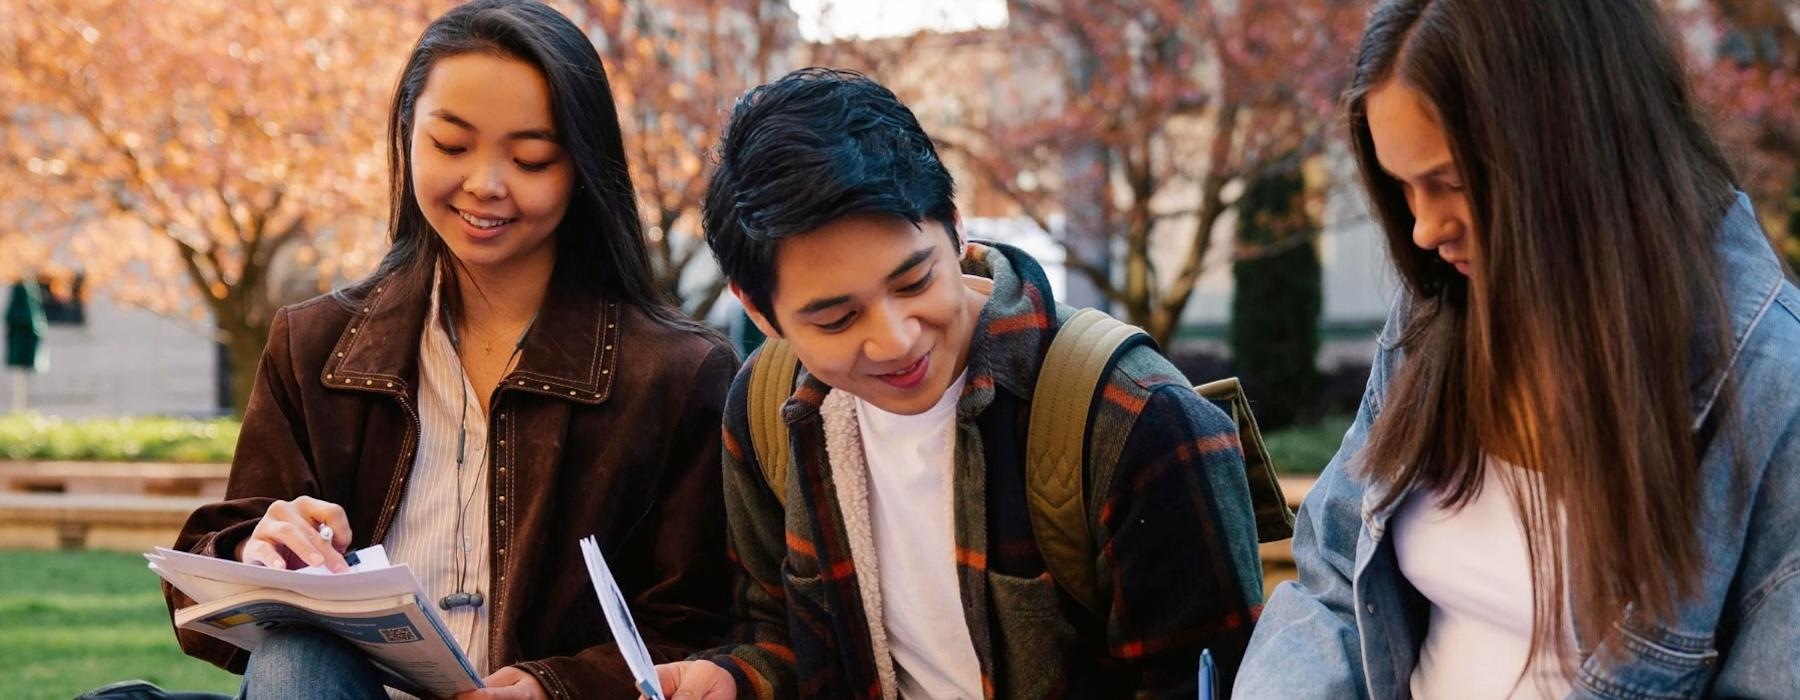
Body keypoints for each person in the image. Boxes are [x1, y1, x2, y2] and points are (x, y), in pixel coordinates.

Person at [164, 2, 736, 697]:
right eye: (452, 145)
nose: (485, 184)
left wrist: (554, 685)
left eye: (530, 158)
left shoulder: (677, 375)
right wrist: (258, 548)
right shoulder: (314, 346)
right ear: (407, 136)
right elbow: (207, 595)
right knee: (294, 660)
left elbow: (702, 627)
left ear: (581, 166)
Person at [1234, 0, 1800, 697]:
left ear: (1570, 147)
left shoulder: (1774, 390)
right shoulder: (1439, 311)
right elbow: (1331, 585)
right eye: (1402, 189)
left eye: (1450, 184)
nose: (1423, 230)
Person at [652, 68, 1267, 699]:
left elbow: (1206, 682)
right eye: (837, 318)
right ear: (758, 312)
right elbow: (779, 631)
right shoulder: (768, 410)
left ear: (954, 225)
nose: (895, 340)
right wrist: (734, 679)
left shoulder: (1132, 418)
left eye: (915, 283)